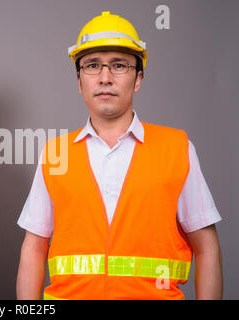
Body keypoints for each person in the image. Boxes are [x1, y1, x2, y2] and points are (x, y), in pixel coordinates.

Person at [16, 11, 222, 300]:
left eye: (119, 65)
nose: (104, 77)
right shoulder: (55, 154)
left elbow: (207, 247)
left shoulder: (177, 147)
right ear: (79, 82)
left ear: (137, 79)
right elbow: (33, 247)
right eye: (92, 66)